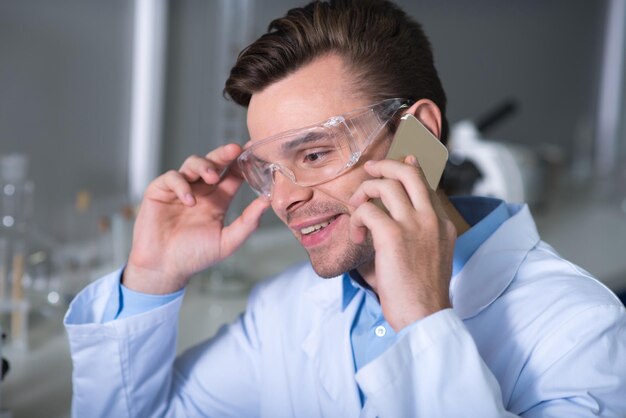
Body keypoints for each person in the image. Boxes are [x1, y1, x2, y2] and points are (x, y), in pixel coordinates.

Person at [64, 1, 626, 417]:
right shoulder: (284, 309)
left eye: (313, 153)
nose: (285, 198)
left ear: (417, 135)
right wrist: (152, 278)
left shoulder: (579, 331)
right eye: (268, 171)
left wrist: (424, 322)